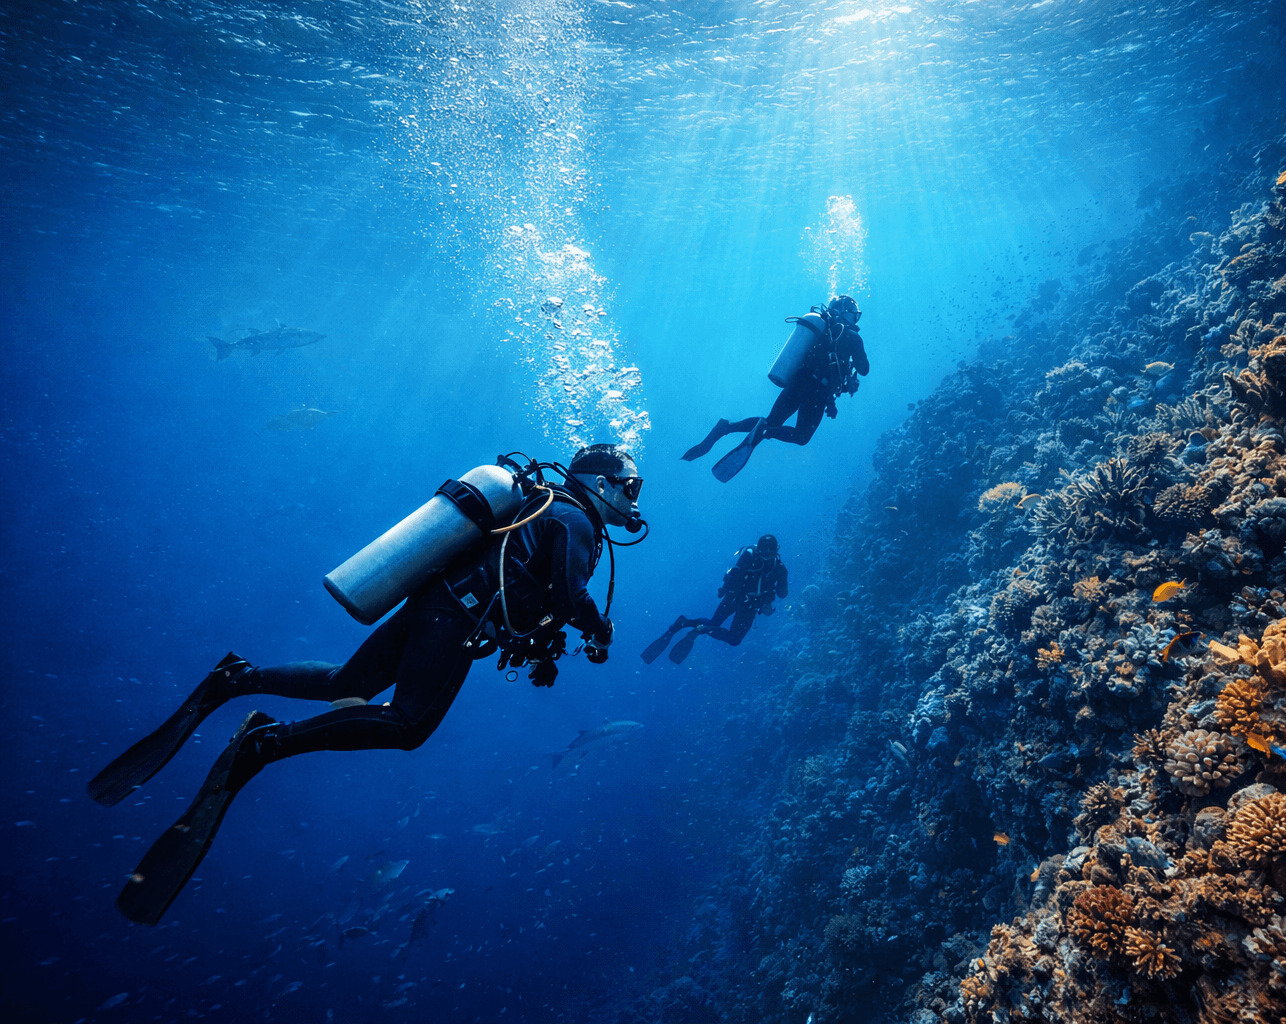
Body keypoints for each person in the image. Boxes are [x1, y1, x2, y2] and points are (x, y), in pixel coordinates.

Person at [92, 445, 644, 926]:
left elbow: (531, 589)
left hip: (436, 599)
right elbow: (569, 598)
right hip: (456, 616)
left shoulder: (544, 506)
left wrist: (543, 649)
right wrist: (600, 629)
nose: (635, 496)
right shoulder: (574, 520)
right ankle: (265, 744)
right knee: (407, 725)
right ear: (601, 484)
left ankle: (236, 678)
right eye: (631, 484)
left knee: (347, 681)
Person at [683, 294, 868, 481]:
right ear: (842, 313)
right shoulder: (851, 337)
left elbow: (823, 365)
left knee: (771, 420)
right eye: (854, 315)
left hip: (797, 381)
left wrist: (830, 402)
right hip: (815, 391)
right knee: (801, 436)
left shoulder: (820, 332)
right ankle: (764, 432)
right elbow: (864, 369)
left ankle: (726, 427)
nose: (855, 320)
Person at [642, 535, 788, 664]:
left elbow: (782, 593)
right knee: (725, 632)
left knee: (728, 635)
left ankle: (687, 623)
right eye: (765, 554)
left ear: (776, 550)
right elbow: (735, 576)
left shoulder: (779, 568)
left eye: (771, 554)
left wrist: (767, 602)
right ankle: (699, 628)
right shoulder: (751, 556)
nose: (768, 557)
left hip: (744, 603)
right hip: (737, 600)